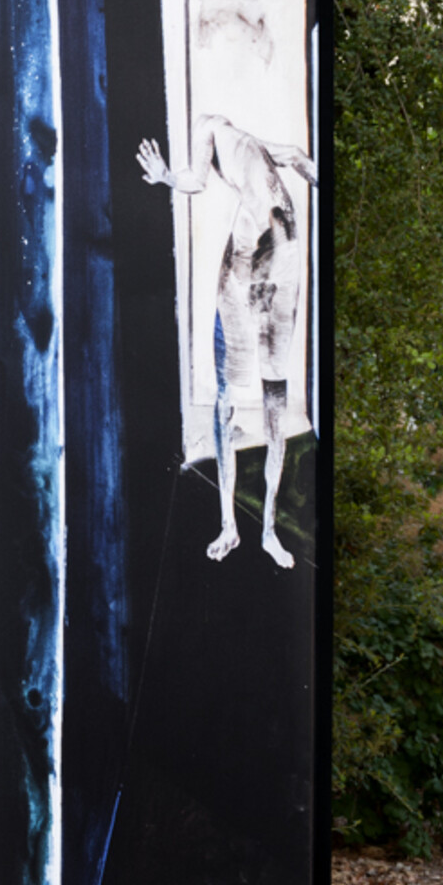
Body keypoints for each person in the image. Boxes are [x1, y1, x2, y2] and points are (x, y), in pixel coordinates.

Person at [138, 113, 316, 568]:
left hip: (271, 262)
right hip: (260, 259)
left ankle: (262, 531)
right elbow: (297, 159)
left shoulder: (211, 128)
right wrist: (164, 177)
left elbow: (197, 179)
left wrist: (164, 176)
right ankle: (234, 527)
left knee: (266, 396)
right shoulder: (248, 143)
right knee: (233, 397)